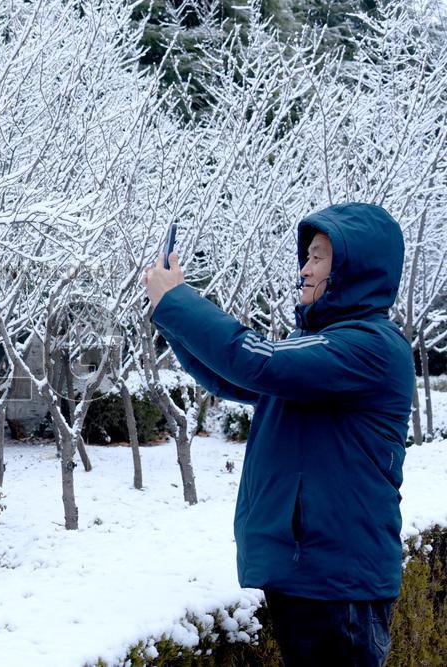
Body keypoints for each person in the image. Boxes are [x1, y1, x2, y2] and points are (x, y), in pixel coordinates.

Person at [142, 203, 413, 666]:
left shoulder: (370, 346)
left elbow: (257, 359)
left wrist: (179, 301)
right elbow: (236, 378)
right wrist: (168, 316)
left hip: (338, 583)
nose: (304, 269)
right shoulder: (326, 348)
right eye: (305, 256)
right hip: (314, 578)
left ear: (354, 268)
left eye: (320, 257)